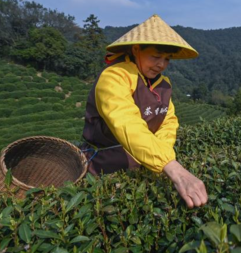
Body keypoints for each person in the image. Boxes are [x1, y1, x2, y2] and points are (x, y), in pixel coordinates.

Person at [82, 14, 208, 208]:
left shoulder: (163, 84)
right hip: (102, 170)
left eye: (167, 59)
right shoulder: (114, 77)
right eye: (156, 57)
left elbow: (168, 121)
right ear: (136, 49)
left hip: (144, 168)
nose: (162, 65)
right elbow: (126, 122)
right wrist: (173, 168)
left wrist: (161, 163)